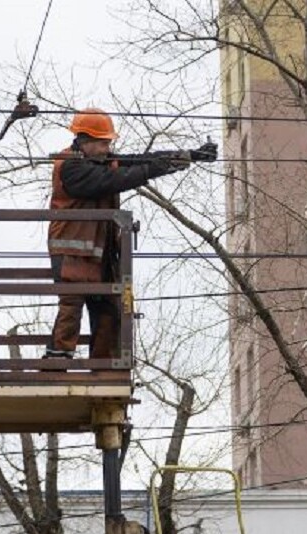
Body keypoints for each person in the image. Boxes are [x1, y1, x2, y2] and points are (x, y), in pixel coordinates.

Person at [44, 108, 217, 359]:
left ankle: (102, 368)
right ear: (86, 141)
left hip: (99, 252)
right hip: (72, 251)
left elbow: (140, 160)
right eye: (103, 143)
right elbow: (112, 180)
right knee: (71, 306)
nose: (107, 148)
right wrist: (147, 171)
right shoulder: (71, 167)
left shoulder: (99, 162)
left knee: (108, 310)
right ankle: (57, 360)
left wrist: (187, 156)